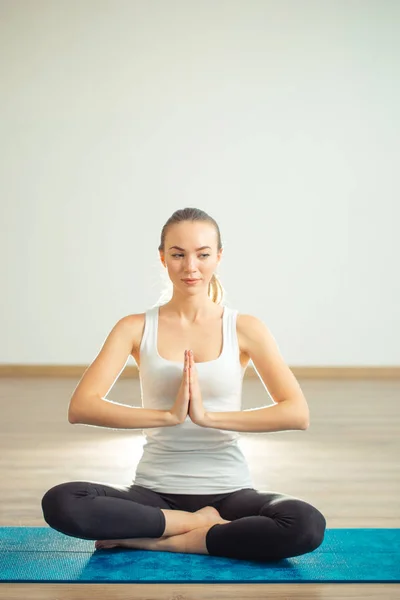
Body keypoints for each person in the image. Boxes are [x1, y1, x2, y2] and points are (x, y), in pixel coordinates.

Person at [41, 207, 326, 562]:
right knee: (61, 502)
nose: (191, 267)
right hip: (154, 494)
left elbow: (296, 413)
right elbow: (81, 407)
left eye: (203, 254)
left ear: (218, 257)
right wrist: (168, 415)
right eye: (178, 255)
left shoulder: (245, 328)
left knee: (306, 524)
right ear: (162, 258)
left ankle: (164, 540)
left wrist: (208, 417)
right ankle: (197, 524)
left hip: (230, 494)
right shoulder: (134, 327)